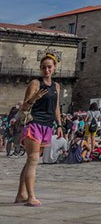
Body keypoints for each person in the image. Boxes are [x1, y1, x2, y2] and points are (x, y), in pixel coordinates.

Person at [16, 53, 63, 206]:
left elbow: (56, 107)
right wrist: (34, 98)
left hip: (47, 126)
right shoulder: (35, 83)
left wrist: (60, 125)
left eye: (49, 67)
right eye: (43, 67)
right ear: (40, 69)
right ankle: (30, 197)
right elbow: (24, 106)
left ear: (54, 68)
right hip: (34, 124)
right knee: (33, 160)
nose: (46, 70)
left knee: (30, 160)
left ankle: (21, 194)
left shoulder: (56, 86)